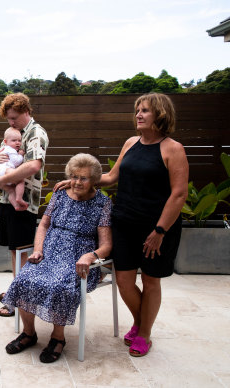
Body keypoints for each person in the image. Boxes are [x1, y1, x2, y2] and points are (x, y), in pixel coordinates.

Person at [54, 93, 188, 357]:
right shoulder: (130, 143)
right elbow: (111, 177)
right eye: (137, 109)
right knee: (124, 280)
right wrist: (78, 181)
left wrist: (160, 231)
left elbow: (178, 194)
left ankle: (145, 334)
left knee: (150, 282)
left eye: (145, 110)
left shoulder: (174, 149)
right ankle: (142, 322)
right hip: (124, 223)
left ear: (160, 115)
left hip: (157, 228)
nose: (138, 114)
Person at [2, 153, 112, 363]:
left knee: (61, 287)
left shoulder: (103, 203)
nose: (77, 182)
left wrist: (91, 256)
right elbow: (43, 225)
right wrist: (37, 250)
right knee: (24, 279)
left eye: (84, 178)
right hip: (49, 252)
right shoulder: (60, 195)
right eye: (74, 176)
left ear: (94, 180)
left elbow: (107, 244)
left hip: (79, 259)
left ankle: (58, 338)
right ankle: (28, 333)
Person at [0, 93, 49, 317]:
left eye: (14, 118)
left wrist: (3, 180)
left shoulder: (35, 133)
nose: (10, 122)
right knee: (14, 249)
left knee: (22, 252)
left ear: (26, 111)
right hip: (6, 200)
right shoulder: (14, 134)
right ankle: (15, 290)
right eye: (8, 119)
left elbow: (33, 165)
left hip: (23, 204)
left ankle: (18, 300)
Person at [0, 127, 27, 211]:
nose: (17, 143)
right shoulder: (10, 150)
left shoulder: (2, 149)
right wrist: (21, 155)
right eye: (14, 140)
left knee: (11, 190)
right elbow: (16, 162)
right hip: (5, 170)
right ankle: (19, 198)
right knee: (20, 180)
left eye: (19, 140)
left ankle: (16, 206)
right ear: (5, 142)